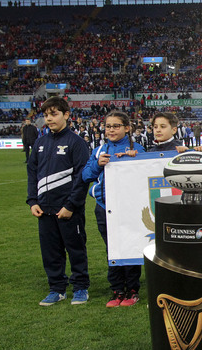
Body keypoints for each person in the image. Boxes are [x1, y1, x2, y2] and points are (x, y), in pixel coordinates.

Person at [26, 97, 90, 306]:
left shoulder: (77, 143)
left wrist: (71, 206)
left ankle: (80, 287)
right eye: (46, 115)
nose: (49, 119)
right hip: (44, 209)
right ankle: (57, 288)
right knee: (50, 251)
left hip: (69, 209)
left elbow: (82, 178)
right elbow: (32, 173)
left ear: (66, 115)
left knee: (76, 248)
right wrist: (33, 201)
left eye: (54, 114)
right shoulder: (40, 142)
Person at [82, 110, 144, 307]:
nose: (111, 129)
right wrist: (98, 166)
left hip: (129, 207)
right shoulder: (99, 150)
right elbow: (85, 176)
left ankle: (132, 290)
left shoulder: (138, 149)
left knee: (130, 246)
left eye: (116, 126)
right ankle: (117, 289)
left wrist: (135, 158)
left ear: (127, 128)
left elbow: (145, 175)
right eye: (108, 126)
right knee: (112, 249)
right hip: (104, 207)